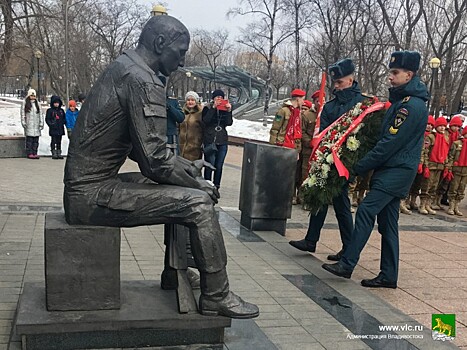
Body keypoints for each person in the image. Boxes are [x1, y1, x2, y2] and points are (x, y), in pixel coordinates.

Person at [63, 15, 258, 319]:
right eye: (180, 52)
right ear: (160, 43)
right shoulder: (141, 79)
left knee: (181, 186)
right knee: (198, 204)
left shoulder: (125, 68)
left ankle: (173, 273)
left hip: (89, 186)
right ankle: (216, 295)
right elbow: (154, 161)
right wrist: (199, 184)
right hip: (91, 196)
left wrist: (186, 169)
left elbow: (144, 150)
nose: (181, 62)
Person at [322, 51, 429, 288]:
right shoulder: (403, 102)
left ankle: (347, 263)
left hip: (397, 170)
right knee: (388, 223)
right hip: (393, 169)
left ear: (409, 75)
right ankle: (389, 275)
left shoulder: (410, 107)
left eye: (395, 73)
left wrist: (357, 167)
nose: (390, 77)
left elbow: (389, 144)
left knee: (366, 210)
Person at [289, 58, 368, 261]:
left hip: (345, 163)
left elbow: (364, 136)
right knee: (321, 196)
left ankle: (345, 248)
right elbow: (323, 132)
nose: (335, 86)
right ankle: (312, 239)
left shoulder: (362, 104)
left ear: (350, 80)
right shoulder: (331, 106)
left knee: (341, 204)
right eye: (334, 82)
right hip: (327, 159)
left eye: (339, 82)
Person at [269, 88, 305, 204]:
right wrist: (273, 146)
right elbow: (275, 129)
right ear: (297, 99)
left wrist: (298, 150)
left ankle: (285, 196)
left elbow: (298, 132)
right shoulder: (283, 111)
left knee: (290, 174)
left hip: (292, 146)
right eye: (303, 99)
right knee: (279, 172)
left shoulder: (298, 113)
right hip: (282, 144)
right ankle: (275, 195)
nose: (304, 102)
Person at [202, 89, 233, 189]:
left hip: (222, 140)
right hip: (210, 140)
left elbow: (229, 123)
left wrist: (229, 111)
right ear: (213, 98)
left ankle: (216, 185)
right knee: (210, 164)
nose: (219, 99)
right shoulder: (207, 107)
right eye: (217, 97)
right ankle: (207, 184)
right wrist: (214, 108)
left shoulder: (225, 109)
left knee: (219, 165)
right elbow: (205, 121)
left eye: (221, 97)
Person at [422, 117, 450, 214]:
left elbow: (446, 152)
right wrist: (425, 165)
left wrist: (446, 165)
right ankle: (422, 205)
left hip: (440, 165)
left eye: (444, 126)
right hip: (431, 165)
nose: (442, 128)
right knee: (427, 185)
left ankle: (428, 204)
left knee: (434, 186)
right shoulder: (430, 137)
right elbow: (426, 152)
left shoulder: (446, 138)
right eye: (440, 126)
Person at [408, 115, 435, 213]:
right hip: (414, 161)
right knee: (410, 183)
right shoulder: (420, 134)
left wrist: (425, 165)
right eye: (428, 124)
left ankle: (414, 201)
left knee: (418, 184)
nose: (429, 126)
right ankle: (405, 202)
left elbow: (426, 152)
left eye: (431, 125)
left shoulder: (431, 137)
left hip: (424, 164)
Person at [446, 127, 467, 215]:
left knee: (461, 189)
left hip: (465, 171)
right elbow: (451, 156)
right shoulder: (457, 143)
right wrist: (449, 168)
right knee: (453, 187)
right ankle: (451, 206)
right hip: (456, 169)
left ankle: (456, 206)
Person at [180, 91, 204, 161]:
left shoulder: (200, 113)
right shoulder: (182, 113)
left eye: (192, 100)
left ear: (196, 101)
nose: (190, 102)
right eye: (188, 100)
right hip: (181, 148)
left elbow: (204, 129)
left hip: (195, 148)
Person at [20, 89, 43, 159]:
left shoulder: (37, 104)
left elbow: (40, 114)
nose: (33, 97)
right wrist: (23, 122)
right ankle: (29, 153)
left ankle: (34, 152)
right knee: (29, 140)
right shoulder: (25, 103)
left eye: (34, 96)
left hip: (36, 125)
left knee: (36, 141)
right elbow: (22, 113)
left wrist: (41, 123)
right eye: (31, 95)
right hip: (29, 124)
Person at [45, 95, 66, 159]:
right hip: (53, 128)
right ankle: (53, 151)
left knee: (59, 141)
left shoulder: (61, 111)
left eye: (57, 103)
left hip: (60, 128)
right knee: (53, 140)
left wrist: (62, 122)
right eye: (55, 103)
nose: (56, 104)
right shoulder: (50, 111)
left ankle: (59, 152)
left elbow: (64, 118)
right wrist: (51, 124)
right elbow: (47, 119)